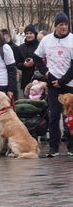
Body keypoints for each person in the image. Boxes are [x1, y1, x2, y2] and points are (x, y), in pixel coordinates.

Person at [34, 12, 73, 157]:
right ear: (55, 26)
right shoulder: (46, 40)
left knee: (70, 117)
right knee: (54, 115)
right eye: (61, 24)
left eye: (66, 24)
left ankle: (71, 146)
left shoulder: (72, 40)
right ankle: (54, 148)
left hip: (69, 83)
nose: (64, 27)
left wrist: (62, 80)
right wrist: (47, 75)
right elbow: (37, 58)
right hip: (52, 82)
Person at [17, 24, 39, 95]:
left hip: (38, 79)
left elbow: (44, 61)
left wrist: (34, 62)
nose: (29, 35)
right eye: (27, 33)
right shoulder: (21, 47)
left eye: (31, 33)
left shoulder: (40, 45)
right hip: (25, 79)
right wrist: (24, 64)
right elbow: (17, 64)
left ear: (35, 34)